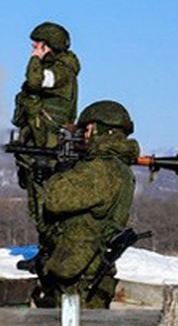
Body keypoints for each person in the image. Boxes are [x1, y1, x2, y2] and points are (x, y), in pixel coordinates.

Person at [35, 100, 138, 309]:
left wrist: (61, 170)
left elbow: (55, 200)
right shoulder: (118, 167)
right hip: (88, 273)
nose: (83, 135)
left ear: (96, 129)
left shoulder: (100, 169)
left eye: (86, 130)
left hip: (78, 283)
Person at [11, 21, 81, 250]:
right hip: (39, 145)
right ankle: (47, 252)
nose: (34, 46)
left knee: (45, 204)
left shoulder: (60, 72)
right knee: (37, 205)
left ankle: (52, 254)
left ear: (50, 45)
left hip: (49, 149)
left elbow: (35, 81)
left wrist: (35, 59)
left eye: (39, 43)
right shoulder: (56, 69)